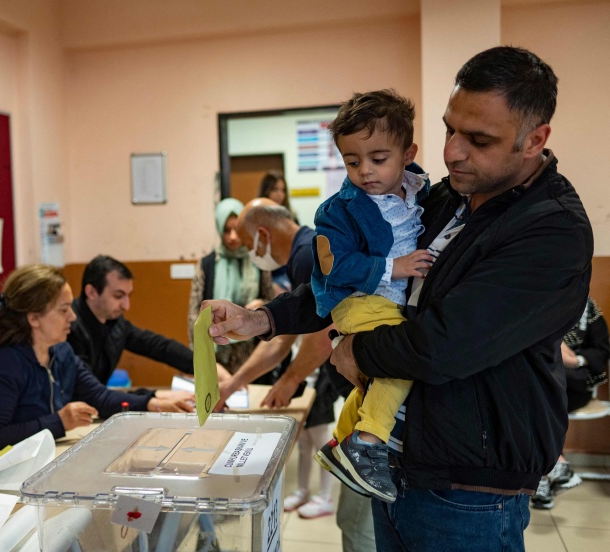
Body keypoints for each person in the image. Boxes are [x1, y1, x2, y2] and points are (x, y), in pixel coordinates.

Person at [203, 46, 592, 550]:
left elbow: (443, 345)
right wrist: (263, 319)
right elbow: (357, 281)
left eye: (478, 139)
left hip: (467, 489)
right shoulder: (443, 196)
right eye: (450, 130)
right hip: (397, 460)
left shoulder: (550, 229)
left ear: (534, 140)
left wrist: (355, 351)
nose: (453, 152)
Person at [218, 198, 376, 550]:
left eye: (248, 246)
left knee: (357, 521)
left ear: (263, 236)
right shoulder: (304, 251)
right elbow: (283, 337)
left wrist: (290, 379)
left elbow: (322, 332)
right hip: (361, 392)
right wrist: (233, 385)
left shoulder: (306, 255)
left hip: (369, 395)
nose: (251, 255)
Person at [310, 90, 433, 503]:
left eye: (378, 159)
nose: (364, 171)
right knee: (402, 356)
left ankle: (343, 440)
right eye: (352, 161)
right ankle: (368, 441)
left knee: (377, 381)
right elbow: (335, 266)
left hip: (391, 303)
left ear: (408, 153)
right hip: (359, 300)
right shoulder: (338, 210)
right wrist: (393, 267)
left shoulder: (424, 192)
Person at [0, 264, 193, 450]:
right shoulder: (0, 363)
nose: (72, 317)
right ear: (34, 318)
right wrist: (59, 422)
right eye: (63, 310)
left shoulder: (61, 351)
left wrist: (151, 403)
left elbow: (99, 397)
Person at [69, 255, 230, 390]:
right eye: (118, 296)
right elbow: (91, 393)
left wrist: (205, 365)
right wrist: (153, 398)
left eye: (128, 296)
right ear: (91, 292)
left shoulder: (114, 322)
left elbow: (156, 346)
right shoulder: (71, 328)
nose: (126, 305)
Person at [532, 296, 609, 509]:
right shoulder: (539, 306)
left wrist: (576, 361)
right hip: (543, 383)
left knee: (541, 403)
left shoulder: (588, 309)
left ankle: (548, 473)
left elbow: (602, 349)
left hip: (575, 386)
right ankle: (552, 471)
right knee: (540, 399)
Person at [187, 198, 273, 373]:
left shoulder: (258, 261)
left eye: (237, 229)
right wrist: (198, 352)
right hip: (216, 352)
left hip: (252, 353)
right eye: (227, 230)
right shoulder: (208, 264)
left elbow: (272, 302)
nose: (232, 237)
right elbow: (194, 312)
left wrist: (261, 305)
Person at [258, 170, 297, 293]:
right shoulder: (257, 220)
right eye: (275, 189)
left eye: (283, 190)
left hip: (290, 272)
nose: (280, 194)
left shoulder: (291, 218)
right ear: (266, 191)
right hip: (267, 277)